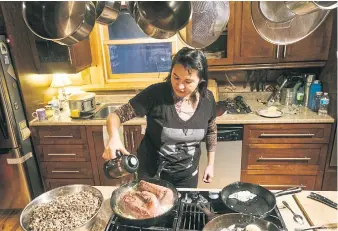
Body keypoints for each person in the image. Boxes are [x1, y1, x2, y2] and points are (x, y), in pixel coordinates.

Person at [102, 47, 217, 188]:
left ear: (200, 80)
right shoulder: (155, 94)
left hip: (187, 176)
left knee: (181, 208)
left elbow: (211, 130)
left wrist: (210, 164)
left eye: (188, 81)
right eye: (176, 77)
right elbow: (116, 116)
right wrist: (113, 137)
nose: (180, 86)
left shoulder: (208, 99)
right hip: (152, 174)